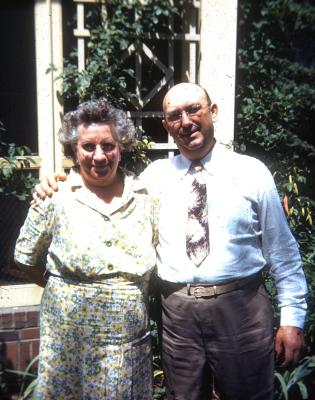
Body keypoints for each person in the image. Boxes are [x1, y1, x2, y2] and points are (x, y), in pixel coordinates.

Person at [34, 83, 308, 400]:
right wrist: (58, 183)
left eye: (194, 109)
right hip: (178, 316)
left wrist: (292, 320)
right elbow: (103, 189)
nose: (186, 121)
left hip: (241, 310)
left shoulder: (251, 173)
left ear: (213, 112)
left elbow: (284, 253)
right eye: (175, 115)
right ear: (166, 125)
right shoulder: (154, 177)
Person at [15, 98, 158, 399]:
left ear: (122, 146)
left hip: (125, 341)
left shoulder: (146, 196)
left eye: (108, 145)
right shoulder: (55, 195)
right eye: (88, 146)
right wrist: (57, 284)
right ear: (74, 149)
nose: (99, 156)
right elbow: (24, 256)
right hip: (65, 339)